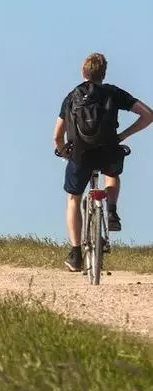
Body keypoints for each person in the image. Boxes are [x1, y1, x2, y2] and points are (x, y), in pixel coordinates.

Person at [54, 52, 153, 272]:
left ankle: (76, 254)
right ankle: (111, 210)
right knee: (112, 175)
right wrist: (123, 136)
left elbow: (57, 136)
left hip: (80, 153)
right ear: (104, 73)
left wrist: (63, 152)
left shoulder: (72, 96)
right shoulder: (113, 93)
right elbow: (148, 115)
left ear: (83, 72)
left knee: (73, 198)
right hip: (108, 148)